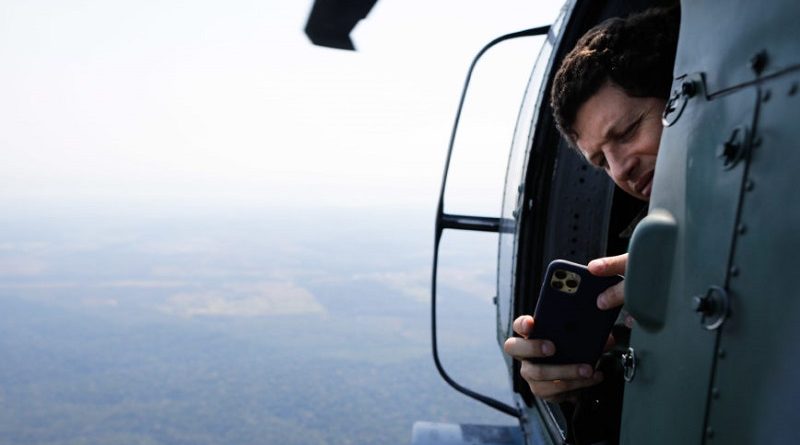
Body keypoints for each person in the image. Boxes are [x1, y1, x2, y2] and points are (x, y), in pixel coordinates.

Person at [503, 6, 680, 403]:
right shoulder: (633, 259)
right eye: (600, 161)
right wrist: (572, 381)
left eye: (629, 130)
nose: (620, 169)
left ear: (681, 95)